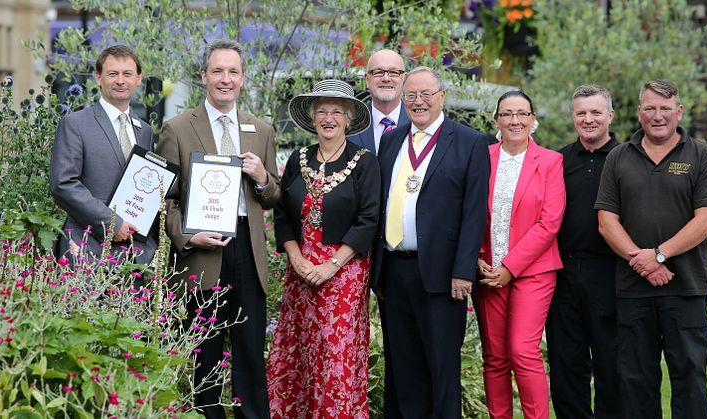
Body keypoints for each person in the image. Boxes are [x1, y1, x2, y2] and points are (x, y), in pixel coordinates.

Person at [156, 39, 280, 419]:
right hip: (203, 249)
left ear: (243, 78)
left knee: (249, 353)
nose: (225, 79)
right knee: (205, 353)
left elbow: (274, 194)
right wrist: (186, 236)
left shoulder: (261, 130)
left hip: (248, 248)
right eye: (218, 71)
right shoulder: (177, 128)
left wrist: (262, 177)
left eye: (233, 72)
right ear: (203, 77)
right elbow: (165, 200)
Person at [596, 79, 707, 419]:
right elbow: (607, 223)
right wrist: (644, 263)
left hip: (686, 289)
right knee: (635, 382)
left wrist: (659, 255)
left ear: (678, 112)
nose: (657, 116)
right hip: (633, 292)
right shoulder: (619, 157)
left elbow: (705, 221)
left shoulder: (701, 155)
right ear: (639, 112)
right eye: (650, 108)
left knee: (690, 378)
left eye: (665, 109)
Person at [372, 66, 490, 418]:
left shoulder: (471, 142)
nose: (418, 102)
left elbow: (474, 214)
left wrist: (463, 271)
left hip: (442, 276)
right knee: (402, 366)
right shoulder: (392, 140)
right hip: (394, 271)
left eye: (426, 94)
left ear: (442, 97)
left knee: (441, 367)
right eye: (411, 95)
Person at [266, 79, 380, 418]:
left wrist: (332, 265)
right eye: (322, 112)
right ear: (313, 118)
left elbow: (368, 219)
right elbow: (283, 213)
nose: (328, 118)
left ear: (347, 119)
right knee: (298, 349)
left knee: (334, 354)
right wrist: (296, 257)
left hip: (344, 273)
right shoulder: (298, 159)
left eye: (336, 112)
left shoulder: (364, 162)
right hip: (300, 270)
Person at [474, 90, 565, 419]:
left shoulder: (551, 162)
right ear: (496, 119)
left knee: (522, 352)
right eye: (507, 114)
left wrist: (510, 267)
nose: (515, 120)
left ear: (533, 119)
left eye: (522, 114)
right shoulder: (481, 158)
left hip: (533, 272)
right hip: (487, 271)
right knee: (495, 357)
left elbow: (550, 222)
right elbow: (467, 212)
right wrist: (476, 258)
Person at [545, 84, 621, 419]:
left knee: (612, 362)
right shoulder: (557, 161)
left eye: (595, 112)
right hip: (563, 272)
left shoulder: (628, 158)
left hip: (613, 272)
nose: (588, 119)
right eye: (581, 113)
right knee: (566, 364)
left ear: (610, 116)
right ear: (573, 116)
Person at [50, 45, 157, 265]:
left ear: (138, 79)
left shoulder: (144, 131)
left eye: (127, 74)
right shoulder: (75, 123)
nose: (120, 80)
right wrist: (112, 223)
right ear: (98, 78)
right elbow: (63, 184)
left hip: (134, 254)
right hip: (86, 249)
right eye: (112, 74)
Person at [347, 49, 409, 154]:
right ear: (367, 79)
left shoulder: (418, 123)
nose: (386, 78)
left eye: (393, 72)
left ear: (404, 79)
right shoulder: (349, 123)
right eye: (378, 72)